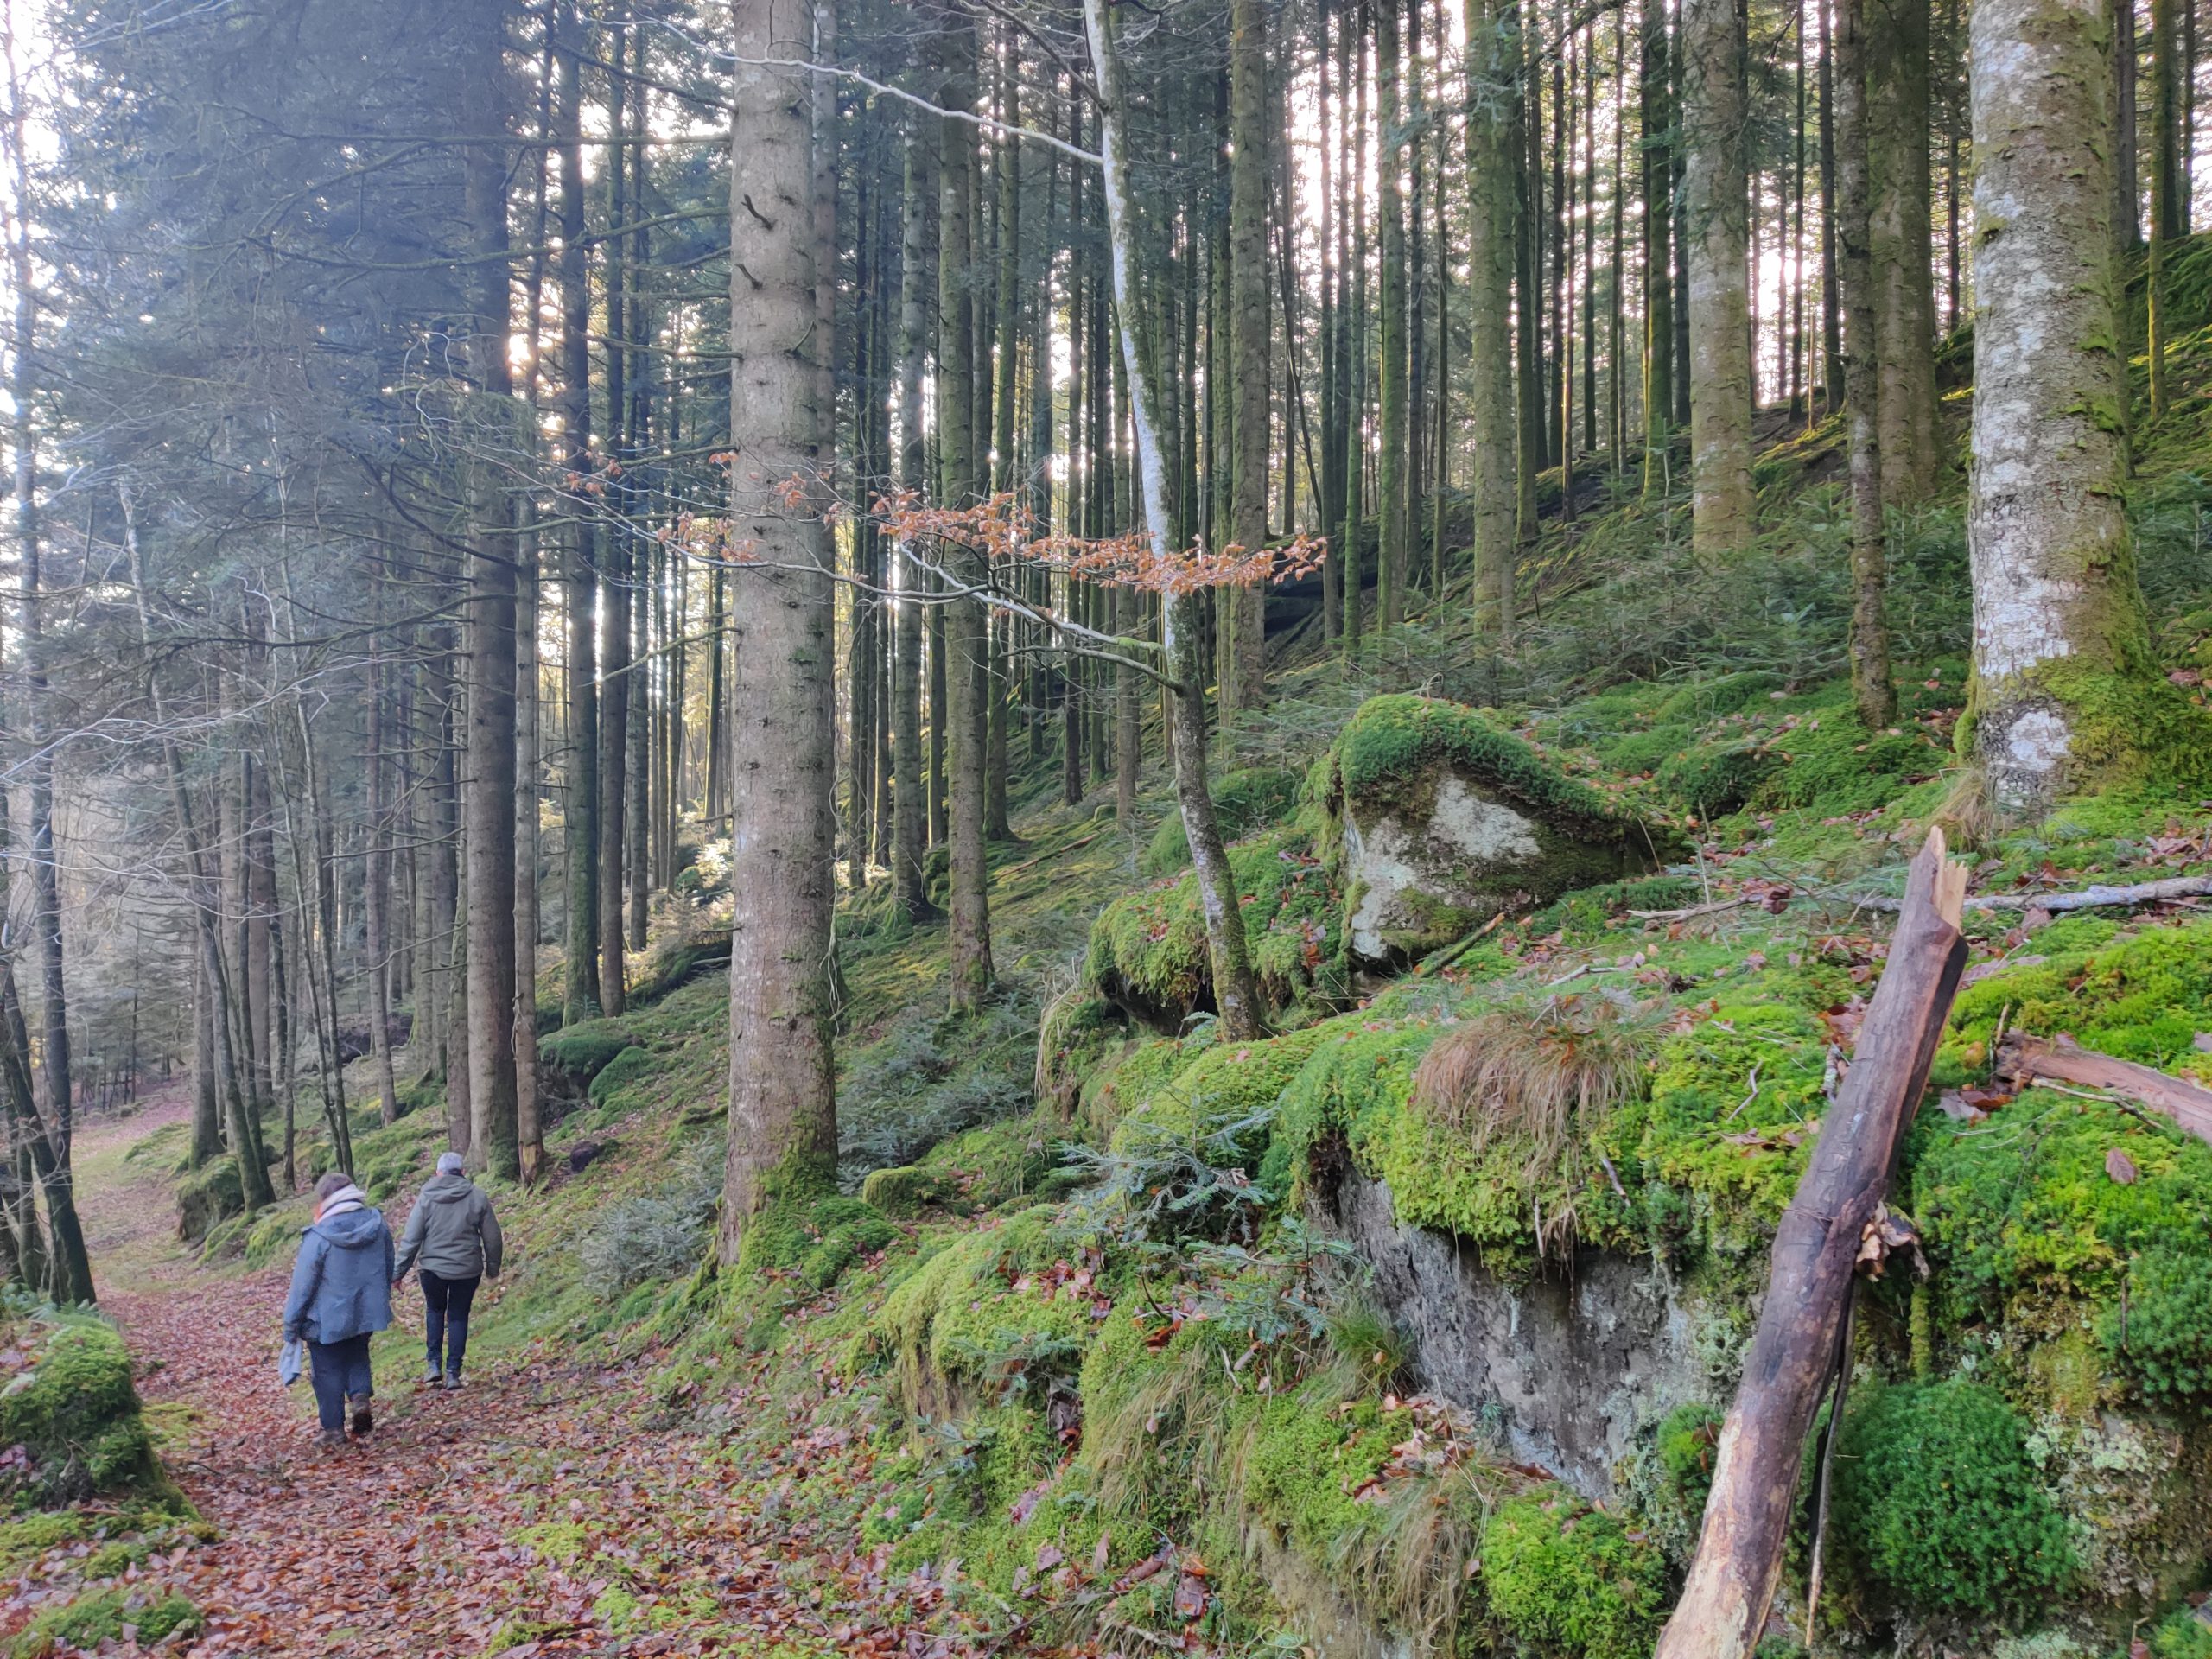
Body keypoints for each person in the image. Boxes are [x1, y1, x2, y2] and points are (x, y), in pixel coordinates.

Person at [282, 1171, 395, 1451]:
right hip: (366, 1311)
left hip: (326, 1319)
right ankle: (359, 1399)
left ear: (325, 1199)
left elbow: (303, 1286)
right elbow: (388, 1262)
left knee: (327, 1371)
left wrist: (291, 1325)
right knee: (357, 1353)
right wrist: (378, 1298)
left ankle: (333, 1429)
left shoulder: (319, 1236)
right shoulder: (377, 1224)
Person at [391, 1150, 504, 1390]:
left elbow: (411, 1239)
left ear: (438, 1173)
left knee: (434, 1311)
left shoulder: (426, 1198)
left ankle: (433, 1365)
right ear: (463, 1172)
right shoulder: (477, 1196)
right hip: (467, 1268)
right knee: (458, 1316)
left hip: (432, 1269)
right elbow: (493, 1237)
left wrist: (397, 1273)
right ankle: (453, 1372)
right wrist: (493, 1268)